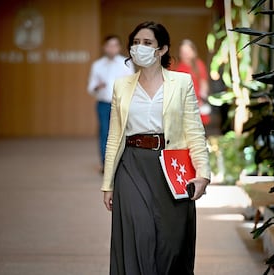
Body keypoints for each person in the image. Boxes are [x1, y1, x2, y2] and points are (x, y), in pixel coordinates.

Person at [101, 21, 211, 275]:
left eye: (147, 43)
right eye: (136, 43)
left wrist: (203, 174)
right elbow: (114, 136)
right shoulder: (121, 85)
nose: (140, 48)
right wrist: (108, 183)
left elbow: (194, 131)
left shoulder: (182, 82)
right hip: (132, 164)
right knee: (140, 233)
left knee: (170, 244)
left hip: (171, 167)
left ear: (161, 49)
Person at [87, 35, 134, 173]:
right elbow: (90, 87)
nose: (112, 48)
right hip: (103, 104)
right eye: (109, 45)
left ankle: (121, 162)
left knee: (122, 133)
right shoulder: (97, 65)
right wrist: (97, 86)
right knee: (104, 133)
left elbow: (132, 83)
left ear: (119, 47)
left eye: (115, 45)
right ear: (104, 47)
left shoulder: (126, 63)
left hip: (121, 104)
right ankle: (105, 164)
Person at [174, 39, 211, 125]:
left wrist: (202, 99)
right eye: (183, 52)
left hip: (197, 102)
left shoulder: (199, 65)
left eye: (187, 52)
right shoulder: (176, 67)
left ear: (193, 52)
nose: (185, 55)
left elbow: (203, 84)